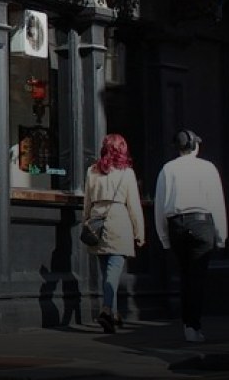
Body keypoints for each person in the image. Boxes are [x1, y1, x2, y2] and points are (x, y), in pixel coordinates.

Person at [154, 129, 227, 343]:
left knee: (185, 276)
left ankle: (188, 325)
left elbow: (160, 205)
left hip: (176, 225)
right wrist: (221, 235)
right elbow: (217, 203)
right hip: (202, 223)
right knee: (197, 278)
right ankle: (193, 326)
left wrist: (164, 237)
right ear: (194, 145)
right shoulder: (207, 168)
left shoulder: (167, 169)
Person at [83, 133, 145, 333]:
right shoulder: (127, 173)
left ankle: (114, 315)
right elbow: (134, 206)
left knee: (107, 274)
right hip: (119, 222)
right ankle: (107, 309)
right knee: (113, 273)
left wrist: (87, 222)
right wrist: (139, 232)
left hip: (97, 221)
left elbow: (87, 201)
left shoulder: (92, 171)